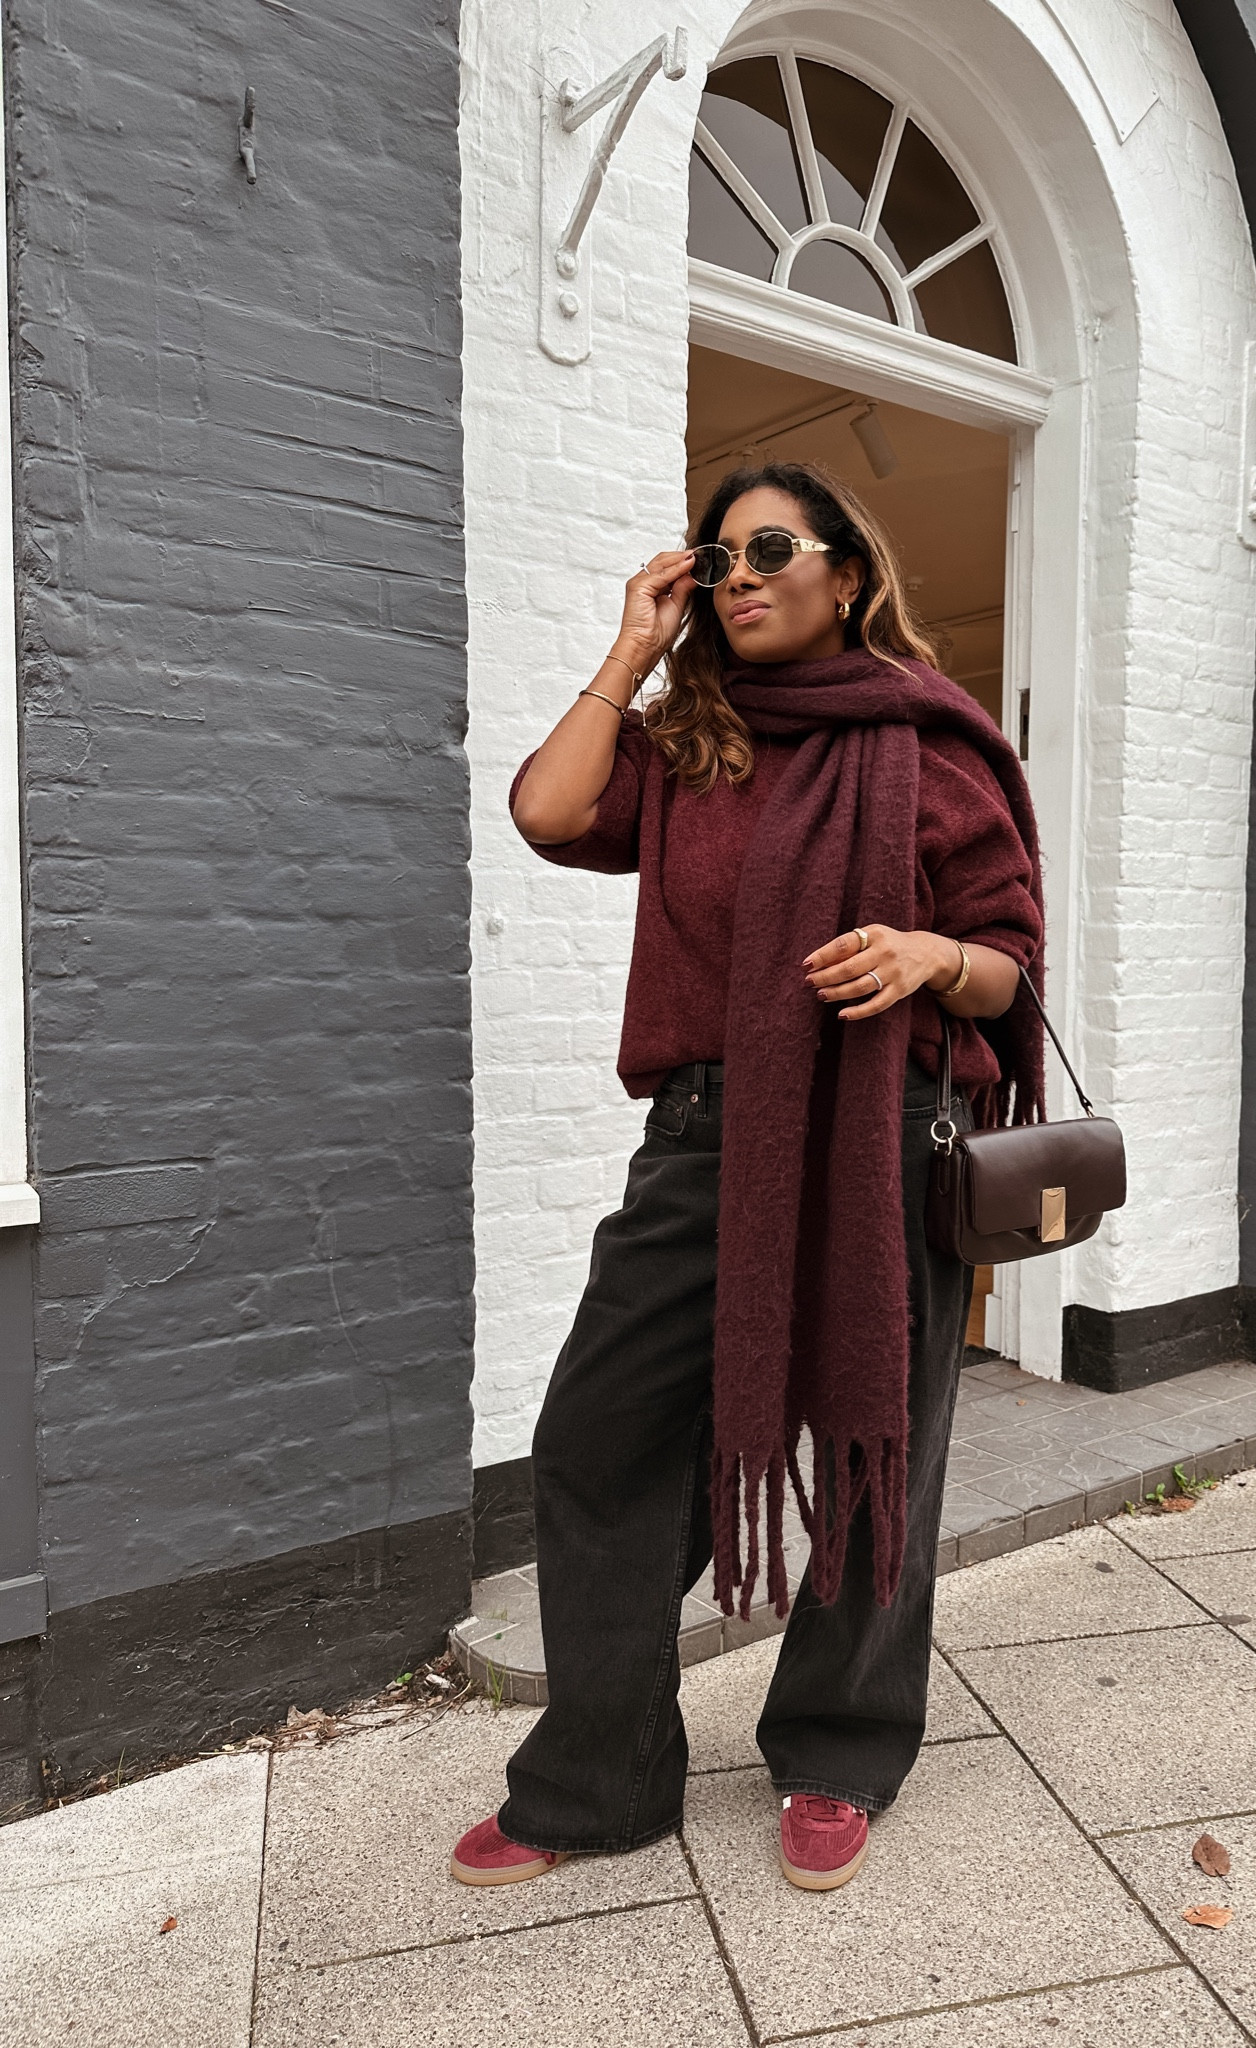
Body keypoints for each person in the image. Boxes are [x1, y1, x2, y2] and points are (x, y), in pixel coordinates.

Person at [450, 461, 1045, 1894]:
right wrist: (630, 648)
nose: (740, 574)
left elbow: (1010, 959)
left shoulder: (934, 747)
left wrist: (923, 959)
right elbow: (544, 812)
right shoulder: (684, 749)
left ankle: (840, 1747)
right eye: (718, 557)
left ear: (850, 570)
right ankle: (600, 1774)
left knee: (869, 1444)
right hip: (705, 1139)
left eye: (771, 548)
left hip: (882, 1139)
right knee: (598, 1438)